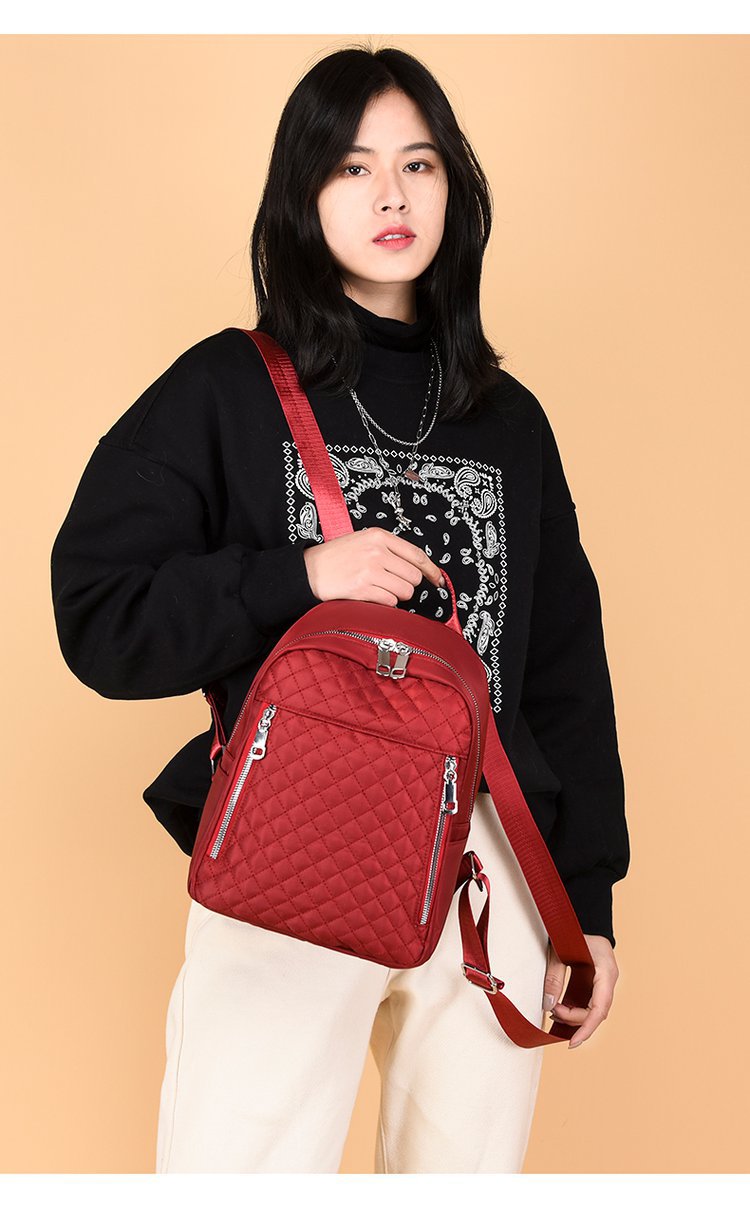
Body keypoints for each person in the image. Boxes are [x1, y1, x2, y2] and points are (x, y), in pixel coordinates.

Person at [50, 45, 630, 1174]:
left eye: (419, 164)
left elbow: (565, 667)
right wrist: (301, 576)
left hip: (487, 861)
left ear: (455, 189)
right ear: (303, 194)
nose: (391, 196)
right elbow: (100, 612)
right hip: (293, 839)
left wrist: (587, 902)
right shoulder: (224, 388)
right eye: (354, 167)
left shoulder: (509, 420)